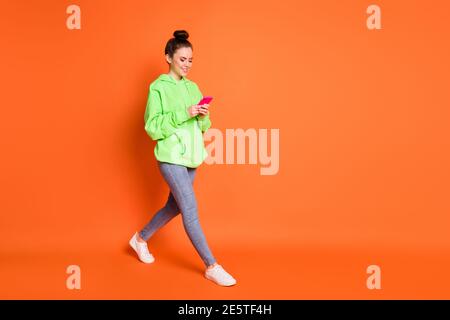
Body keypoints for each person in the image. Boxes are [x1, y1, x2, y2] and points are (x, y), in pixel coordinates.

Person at [129, 30, 236, 287]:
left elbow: (203, 126)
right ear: (168, 57)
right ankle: (212, 265)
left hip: (191, 158)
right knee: (190, 208)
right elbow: (153, 126)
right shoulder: (158, 87)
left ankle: (140, 239)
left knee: (174, 206)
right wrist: (184, 112)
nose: (187, 64)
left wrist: (201, 115)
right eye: (182, 59)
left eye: (190, 60)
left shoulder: (193, 87)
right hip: (170, 157)